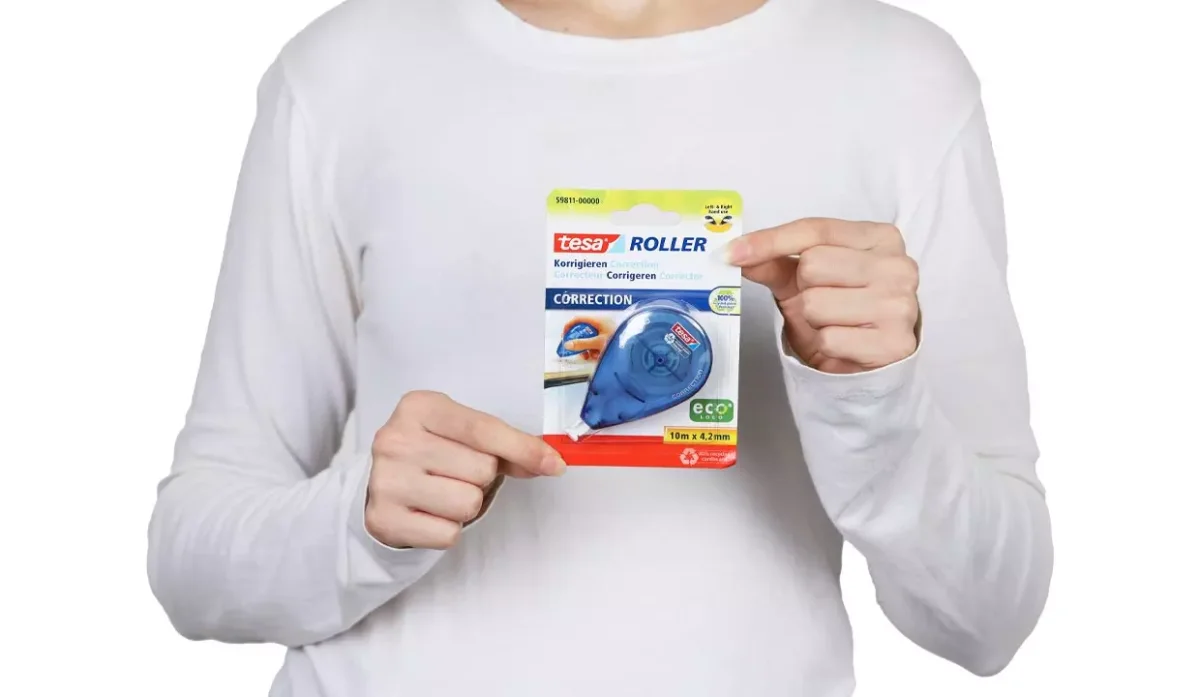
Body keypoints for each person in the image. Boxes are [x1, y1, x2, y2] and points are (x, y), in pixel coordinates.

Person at [146, 0, 1054, 695]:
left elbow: (988, 618)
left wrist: (872, 400)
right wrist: (361, 524)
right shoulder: (346, 68)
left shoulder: (900, 80)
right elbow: (192, 561)